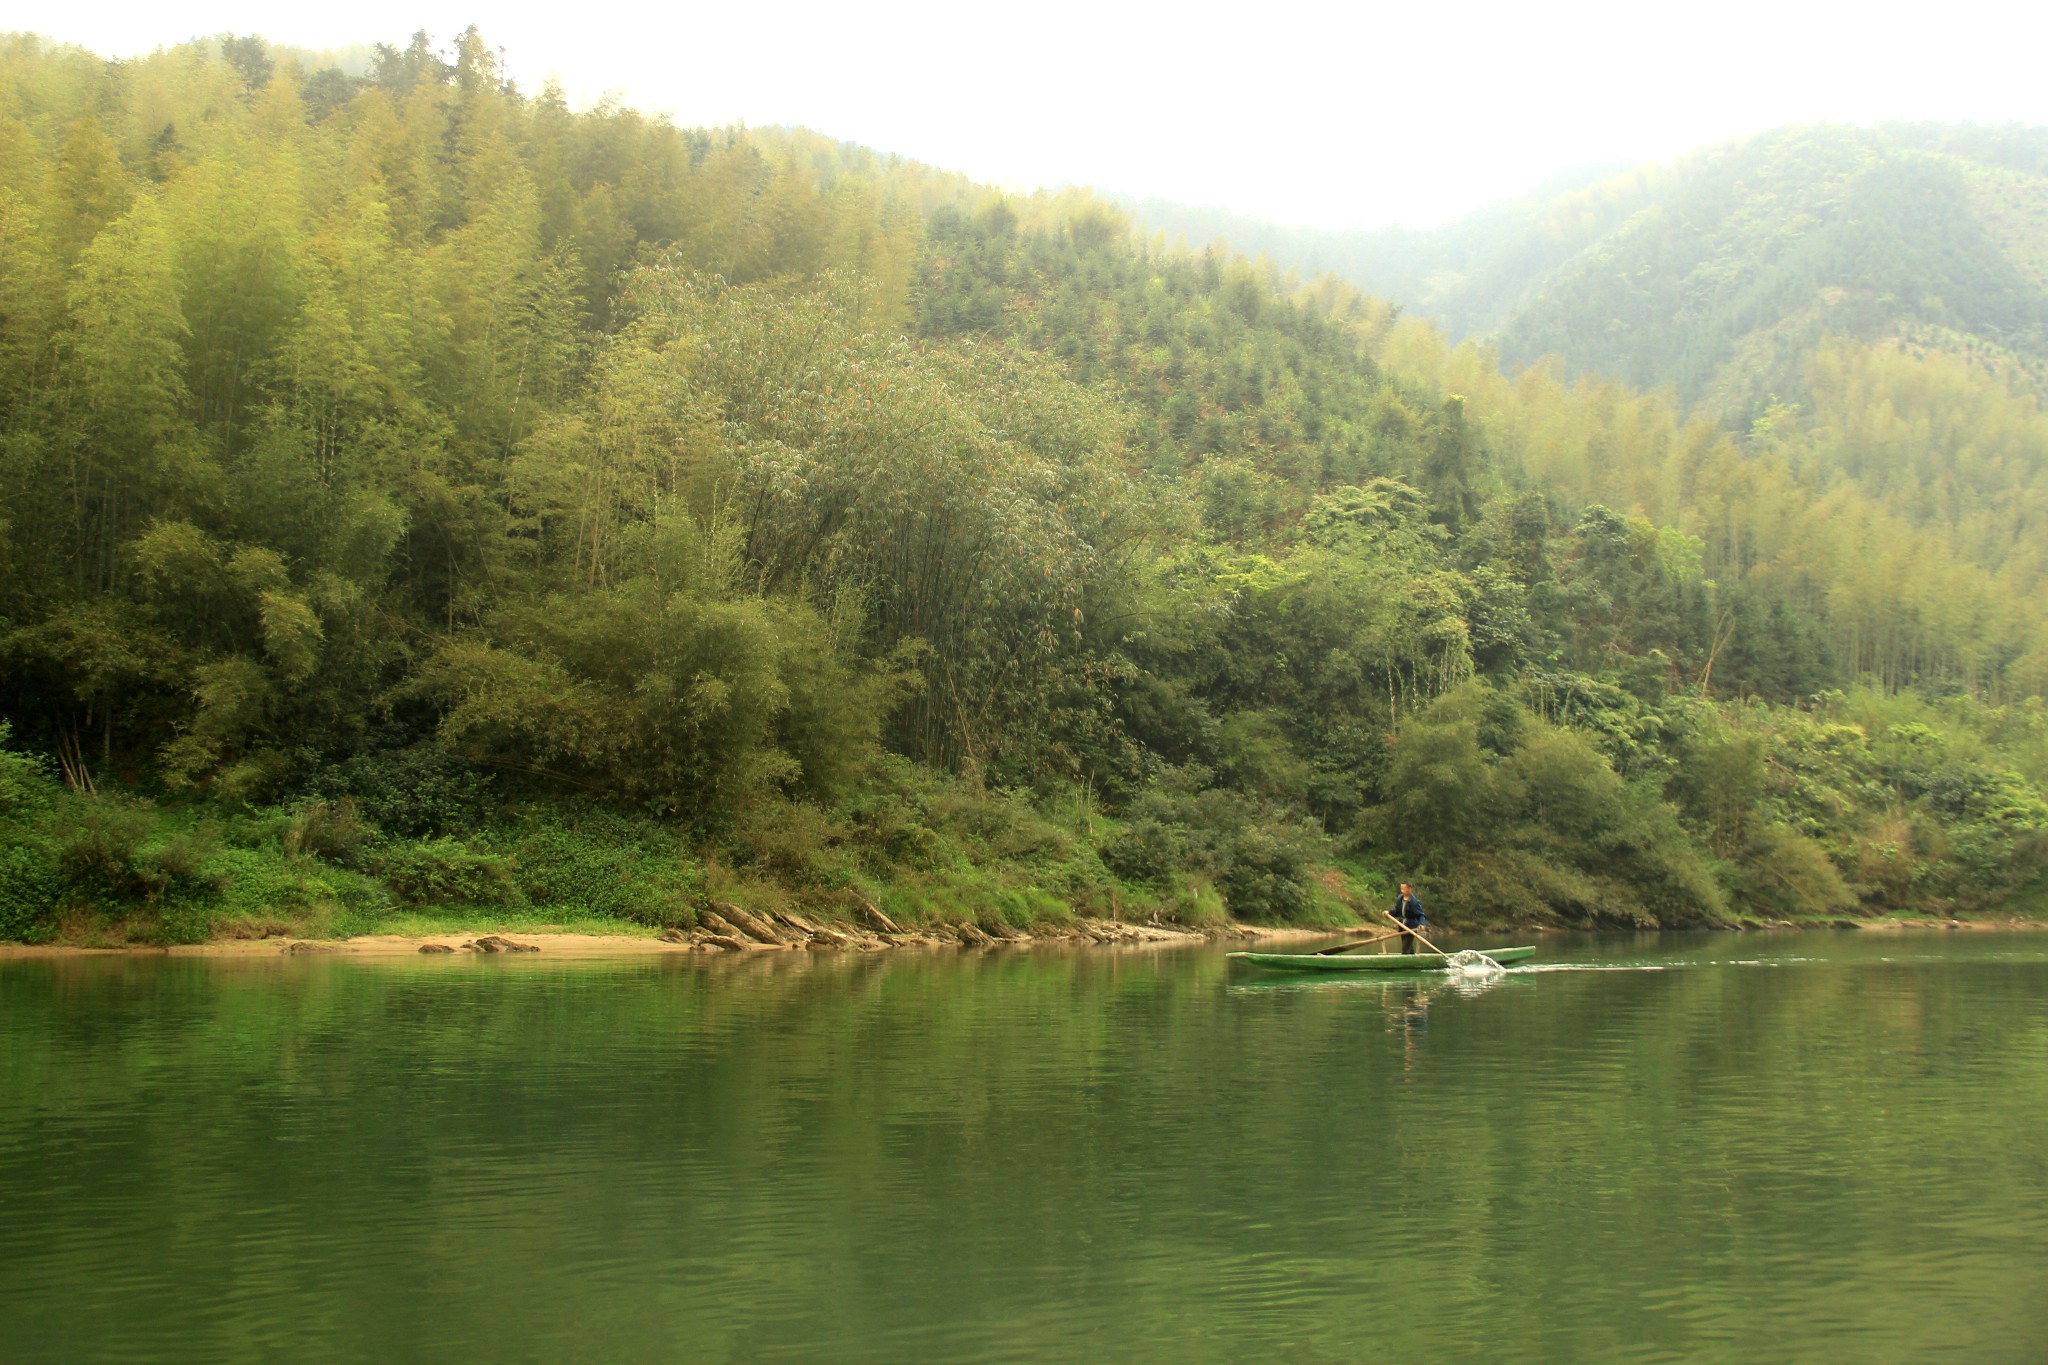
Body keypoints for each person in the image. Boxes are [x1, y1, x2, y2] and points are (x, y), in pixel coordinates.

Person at [1390, 883, 1426, 954]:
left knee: (1405, 947)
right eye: (1401, 889)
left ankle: (1404, 959)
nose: (1402, 891)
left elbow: (1421, 915)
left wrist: (1422, 924)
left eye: (1404, 889)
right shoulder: (1400, 899)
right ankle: (1412, 958)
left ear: (1409, 889)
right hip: (1402, 927)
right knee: (1408, 947)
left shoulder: (1415, 902)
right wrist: (1389, 912)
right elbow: (1397, 912)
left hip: (1411, 928)